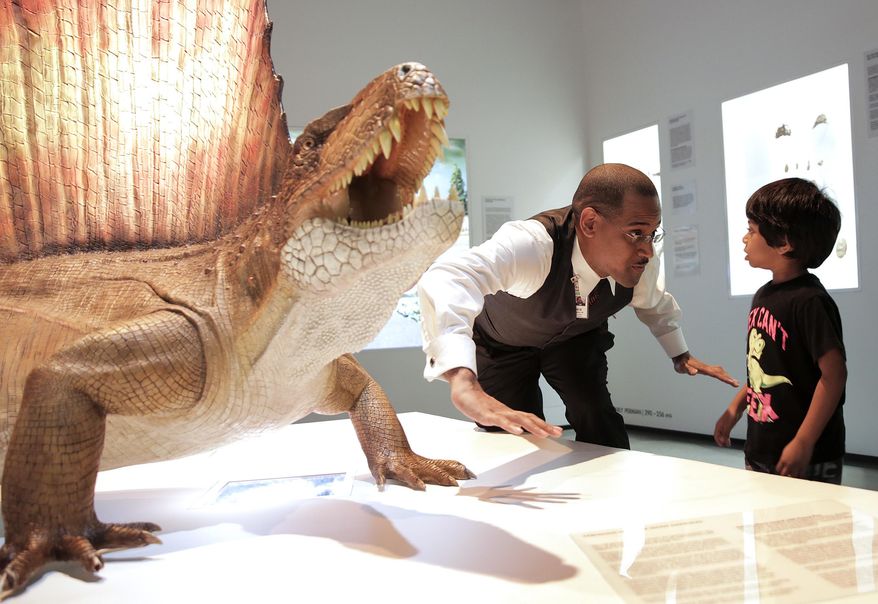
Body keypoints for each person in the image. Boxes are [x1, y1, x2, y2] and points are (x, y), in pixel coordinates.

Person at [417, 163, 737, 449]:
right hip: (502, 343)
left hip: (575, 339)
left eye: (653, 233)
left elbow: (654, 304)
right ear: (590, 223)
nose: (647, 250)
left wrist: (680, 354)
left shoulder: (639, 262)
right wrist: (462, 381)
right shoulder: (533, 244)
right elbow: (448, 276)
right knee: (513, 432)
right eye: (636, 232)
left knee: (599, 419)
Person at [714, 178, 846, 483]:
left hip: (806, 457)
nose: (744, 239)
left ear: (784, 242)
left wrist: (804, 441)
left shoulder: (811, 301)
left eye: (752, 231)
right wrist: (736, 409)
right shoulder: (764, 295)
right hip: (763, 448)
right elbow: (761, 371)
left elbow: (834, 375)